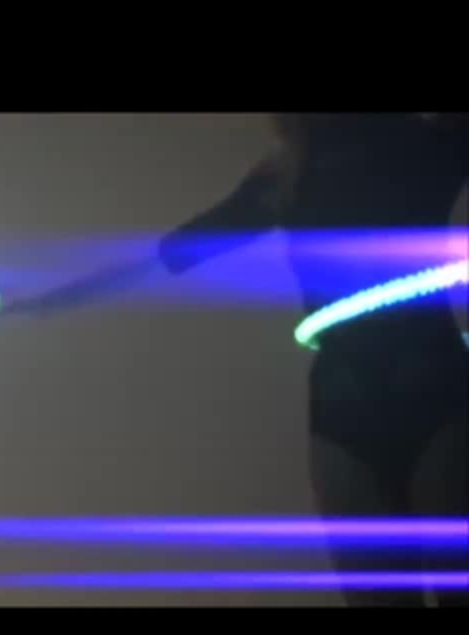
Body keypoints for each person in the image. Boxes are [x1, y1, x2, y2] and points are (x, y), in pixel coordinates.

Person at [157, 113, 469, 607]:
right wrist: (67, 291)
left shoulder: (430, 141)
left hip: (434, 399)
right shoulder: (289, 173)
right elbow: (181, 250)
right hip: (341, 414)